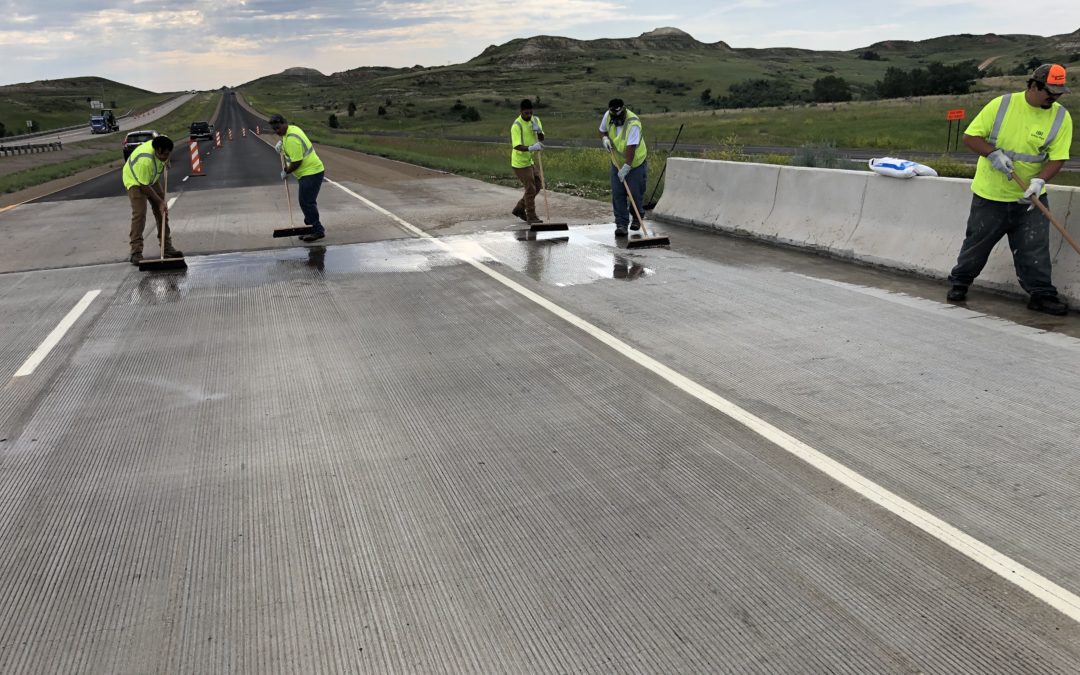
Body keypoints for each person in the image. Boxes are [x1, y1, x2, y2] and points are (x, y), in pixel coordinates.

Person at [946, 63, 1072, 315]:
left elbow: (1058, 157)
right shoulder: (1001, 105)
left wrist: (1040, 181)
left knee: (1034, 248)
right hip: (991, 195)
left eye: (1059, 93)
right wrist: (992, 153)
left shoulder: (1060, 116)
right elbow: (970, 137)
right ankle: (960, 282)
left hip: (1030, 197)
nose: (1054, 97)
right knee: (977, 244)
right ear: (1034, 85)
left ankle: (1041, 295)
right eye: (1050, 91)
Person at [123, 135, 182, 264]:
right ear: (157, 150)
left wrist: (167, 160)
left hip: (150, 178)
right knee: (139, 214)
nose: (166, 157)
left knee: (163, 212)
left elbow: (166, 147)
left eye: (168, 154)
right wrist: (160, 202)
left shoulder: (163, 143)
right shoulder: (145, 160)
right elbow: (144, 186)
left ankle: (167, 248)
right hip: (135, 181)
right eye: (164, 155)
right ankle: (135, 252)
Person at [270, 113, 326, 242]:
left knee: (306, 202)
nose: (277, 131)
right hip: (308, 172)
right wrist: (282, 147)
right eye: (274, 129)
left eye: (278, 128)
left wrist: (286, 171)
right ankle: (310, 226)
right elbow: (288, 147)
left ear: (284, 123)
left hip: (311, 172)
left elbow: (296, 162)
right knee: (307, 202)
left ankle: (317, 230)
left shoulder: (291, 139)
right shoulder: (291, 130)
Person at [598, 98, 648, 237]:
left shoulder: (633, 124)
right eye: (613, 115)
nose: (615, 118)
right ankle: (621, 224)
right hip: (617, 162)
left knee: (635, 193)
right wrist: (605, 139)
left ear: (623, 111)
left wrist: (626, 167)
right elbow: (602, 130)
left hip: (636, 163)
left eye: (618, 115)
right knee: (618, 194)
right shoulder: (608, 116)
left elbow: (631, 148)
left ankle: (637, 218)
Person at [510, 99, 545, 224]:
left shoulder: (535, 120)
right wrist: (531, 148)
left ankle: (519, 208)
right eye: (526, 113)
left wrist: (539, 131)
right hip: (519, 162)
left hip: (529, 160)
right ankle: (531, 216)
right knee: (530, 189)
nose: (529, 115)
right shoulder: (516, 125)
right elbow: (517, 145)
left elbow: (542, 138)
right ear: (521, 112)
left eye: (530, 113)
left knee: (538, 185)